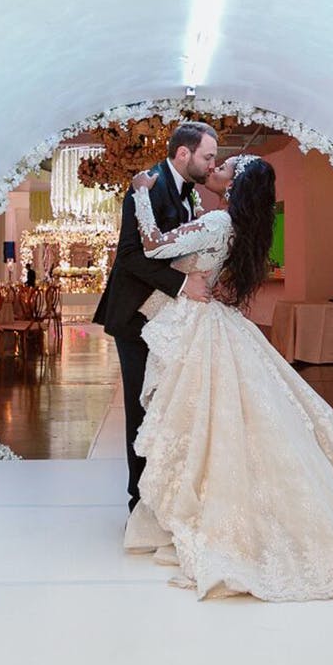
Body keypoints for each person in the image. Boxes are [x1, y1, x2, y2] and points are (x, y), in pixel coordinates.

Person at [122, 155, 333, 601]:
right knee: (225, 421)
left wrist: (140, 192)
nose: (216, 166)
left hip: (200, 327)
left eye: (226, 165)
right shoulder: (232, 225)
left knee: (202, 419)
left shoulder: (218, 221)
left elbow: (155, 245)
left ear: (234, 185)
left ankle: (207, 509)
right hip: (215, 325)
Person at [93, 121, 218, 513]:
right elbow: (130, 257)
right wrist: (183, 286)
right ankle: (139, 504)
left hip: (166, 321)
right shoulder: (144, 189)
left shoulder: (188, 194)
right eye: (208, 157)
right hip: (135, 319)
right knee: (143, 410)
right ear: (184, 154)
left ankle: (165, 495)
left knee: (167, 407)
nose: (212, 165)